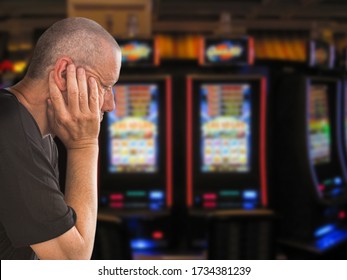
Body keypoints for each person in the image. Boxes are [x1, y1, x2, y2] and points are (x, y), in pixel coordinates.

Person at [0, 17, 122, 260]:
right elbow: (70, 264)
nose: (110, 104)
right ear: (64, 74)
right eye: (105, 86)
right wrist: (84, 146)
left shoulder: (41, 136)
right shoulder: (9, 126)